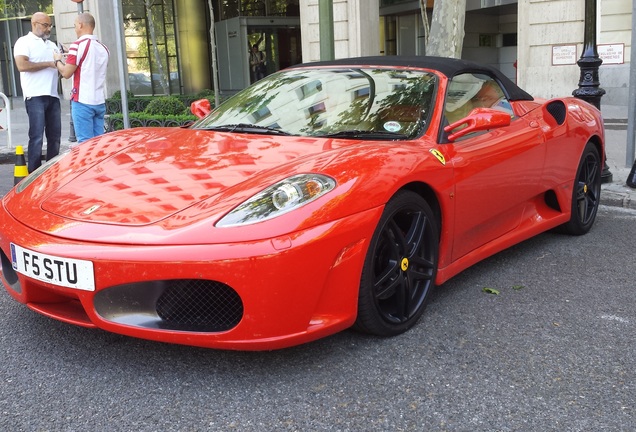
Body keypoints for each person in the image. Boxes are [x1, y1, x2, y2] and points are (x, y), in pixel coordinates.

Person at [13, 12, 61, 173]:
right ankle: (34, 174)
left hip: (53, 95)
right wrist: (49, 63)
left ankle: (52, 172)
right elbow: (22, 66)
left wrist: (63, 64)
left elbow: (59, 69)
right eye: (45, 25)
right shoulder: (23, 42)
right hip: (34, 96)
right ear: (34, 24)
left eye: (50, 25)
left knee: (54, 138)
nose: (49, 29)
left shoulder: (52, 45)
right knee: (37, 137)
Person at [54, 12, 109, 143]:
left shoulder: (77, 45)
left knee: (84, 145)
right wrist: (70, 55)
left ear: (80, 25)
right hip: (99, 101)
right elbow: (89, 66)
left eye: (74, 26)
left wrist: (57, 61)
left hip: (82, 101)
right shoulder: (104, 48)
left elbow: (66, 73)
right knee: (98, 144)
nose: (74, 29)